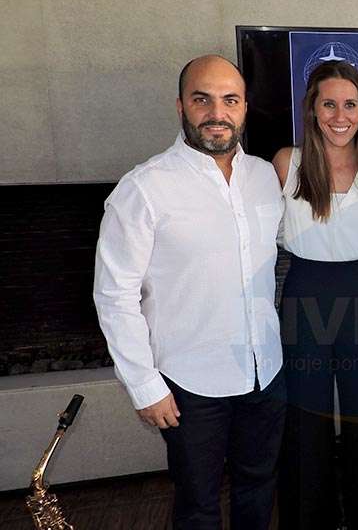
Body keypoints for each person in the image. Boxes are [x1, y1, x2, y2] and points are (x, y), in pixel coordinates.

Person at [93, 55, 285, 530]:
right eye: (202, 99)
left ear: (244, 109)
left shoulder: (265, 177)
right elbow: (114, 296)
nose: (216, 112)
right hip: (189, 384)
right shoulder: (143, 189)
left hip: (266, 371)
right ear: (180, 106)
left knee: (258, 492)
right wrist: (144, 385)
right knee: (197, 505)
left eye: (230, 100)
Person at [273, 61, 358, 530]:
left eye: (350, 104)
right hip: (304, 296)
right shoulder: (288, 163)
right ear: (312, 109)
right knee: (306, 425)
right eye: (329, 104)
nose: (339, 115)